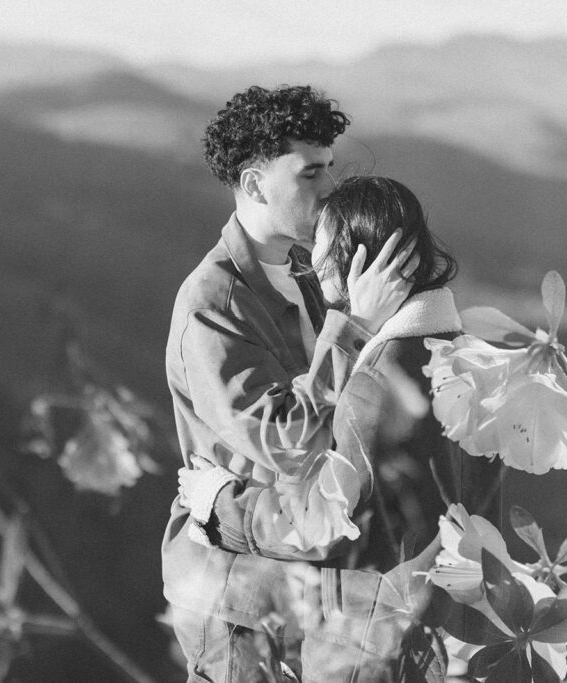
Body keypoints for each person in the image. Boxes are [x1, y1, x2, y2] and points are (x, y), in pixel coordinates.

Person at [179, 175, 504, 681]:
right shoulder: (477, 365)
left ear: (357, 262)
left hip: (369, 643)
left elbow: (322, 526)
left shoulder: (377, 386)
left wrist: (217, 503)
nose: (310, 259)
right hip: (451, 632)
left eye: (321, 247)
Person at [163, 86, 420, 682]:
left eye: (331, 167)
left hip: (316, 573)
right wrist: (353, 322)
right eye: (310, 173)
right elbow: (285, 440)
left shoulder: (310, 272)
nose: (331, 187)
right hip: (235, 592)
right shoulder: (213, 305)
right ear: (255, 186)